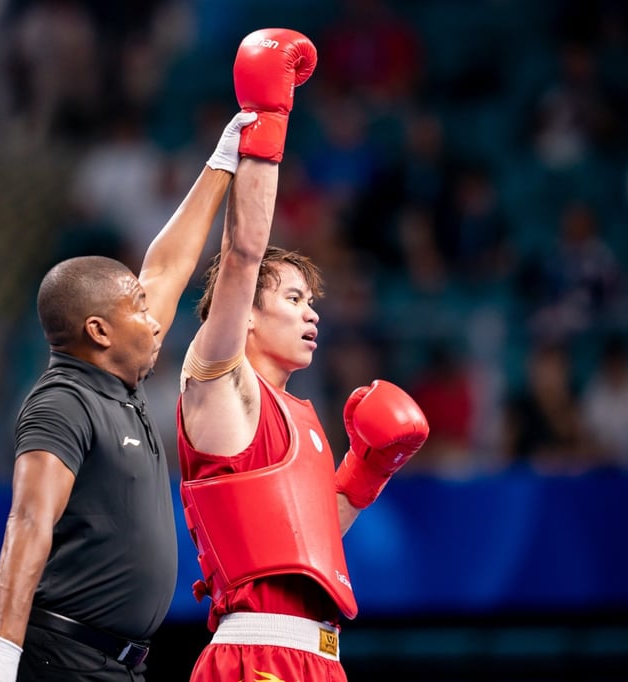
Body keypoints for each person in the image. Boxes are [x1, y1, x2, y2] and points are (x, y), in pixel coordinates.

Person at [175, 29, 430, 681]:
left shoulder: (302, 417)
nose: (312, 310)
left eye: (312, 299)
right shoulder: (219, 382)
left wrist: (366, 475)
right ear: (248, 314)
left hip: (317, 656)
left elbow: (307, 541)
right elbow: (241, 256)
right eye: (293, 296)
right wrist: (266, 125)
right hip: (254, 654)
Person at [0, 111, 258, 680]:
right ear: (99, 332)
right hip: (60, 660)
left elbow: (169, 265)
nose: (156, 321)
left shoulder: (116, 384)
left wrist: (221, 162)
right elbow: (28, 521)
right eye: (138, 309)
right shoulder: (62, 403)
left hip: (117, 663)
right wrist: (2, 649)